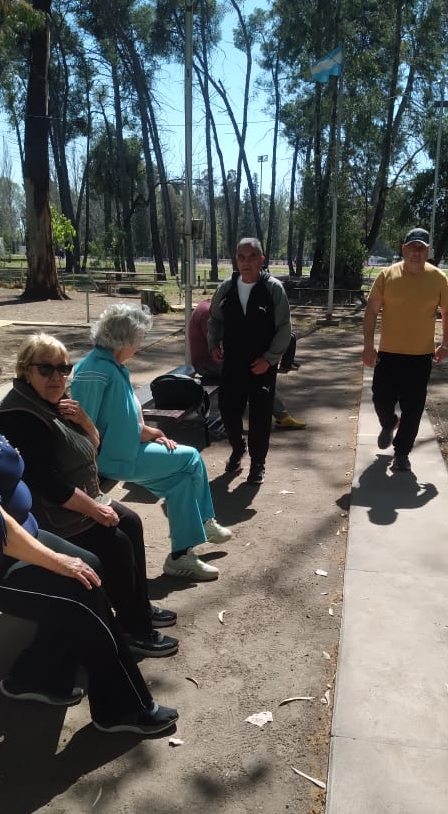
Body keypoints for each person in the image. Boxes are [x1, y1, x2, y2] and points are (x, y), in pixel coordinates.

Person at [0, 325, 178, 737]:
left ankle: (35, 676)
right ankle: (121, 707)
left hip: (23, 535)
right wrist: (58, 560)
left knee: (91, 566)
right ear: (27, 370)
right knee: (79, 588)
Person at [0, 333, 178, 659]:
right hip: (49, 514)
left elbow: (91, 448)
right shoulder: (20, 415)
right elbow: (48, 484)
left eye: (63, 369)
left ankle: (137, 606)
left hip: (76, 499)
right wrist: (94, 509)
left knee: (131, 522)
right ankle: (134, 629)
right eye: (46, 369)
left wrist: (85, 422)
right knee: (116, 542)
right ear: (26, 370)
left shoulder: (56, 403)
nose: (57, 377)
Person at [71, 304, 232, 582]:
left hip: (127, 450)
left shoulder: (111, 366)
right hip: (114, 459)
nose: (141, 343)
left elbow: (118, 419)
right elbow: (83, 424)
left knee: (181, 483)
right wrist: (89, 473)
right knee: (191, 457)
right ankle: (205, 521)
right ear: (125, 338)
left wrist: (151, 432)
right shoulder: (95, 370)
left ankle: (180, 556)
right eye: (140, 337)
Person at [362, 227, 448, 472]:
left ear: (427, 251)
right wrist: (368, 346)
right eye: (412, 247)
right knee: (380, 399)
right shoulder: (387, 275)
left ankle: (402, 452)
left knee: (413, 408)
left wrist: (445, 344)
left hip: (420, 357)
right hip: (388, 354)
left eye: (421, 248)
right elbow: (371, 311)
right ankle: (389, 422)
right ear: (403, 249)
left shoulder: (438, 278)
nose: (416, 252)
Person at [207, 238, 293, 485]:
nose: (246, 262)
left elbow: (284, 328)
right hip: (232, 363)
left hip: (262, 366)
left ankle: (258, 464)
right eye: (241, 257)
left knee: (260, 416)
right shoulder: (226, 288)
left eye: (252, 256)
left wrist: (269, 359)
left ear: (261, 260)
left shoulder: (273, 289)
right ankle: (238, 447)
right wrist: (213, 344)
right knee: (228, 410)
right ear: (236, 260)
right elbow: (214, 320)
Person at [188, 298, 306, 430]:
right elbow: (221, 346)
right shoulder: (207, 314)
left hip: (214, 361)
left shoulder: (211, 308)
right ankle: (281, 416)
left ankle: (278, 415)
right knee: (255, 375)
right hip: (207, 364)